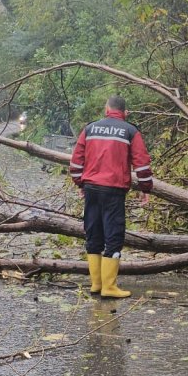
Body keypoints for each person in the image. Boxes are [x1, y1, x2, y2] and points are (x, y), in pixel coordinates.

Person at [69, 96, 154, 298]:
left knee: (93, 234)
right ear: (126, 113)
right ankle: (109, 287)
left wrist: (80, 183)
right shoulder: (130, 131)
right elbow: (141, 162)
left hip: (91, 189)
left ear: (106, 109)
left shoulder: (90, 129)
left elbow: (76, 161)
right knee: (113, 236)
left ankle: (96, 284)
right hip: (114, 191)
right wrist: (145, 188)